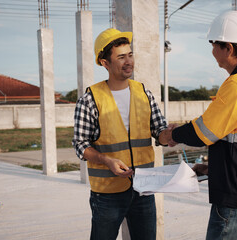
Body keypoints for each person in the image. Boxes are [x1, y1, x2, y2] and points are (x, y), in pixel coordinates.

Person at [166, 11, 237, 239]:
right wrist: (214, 169)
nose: (211, 51)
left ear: (228, 48)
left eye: (213, 44)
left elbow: (202, 133)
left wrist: (169, 135)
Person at [72, 28, 170, 240]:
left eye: (130, 54)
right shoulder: (90, 100)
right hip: (107, 194)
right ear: (105, 63)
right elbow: (80, 144)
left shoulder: (143, 92)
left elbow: (159, 131)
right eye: (121, 57)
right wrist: (106, 160)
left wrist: (171, 134)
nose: (129, 62)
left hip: (143, 188)